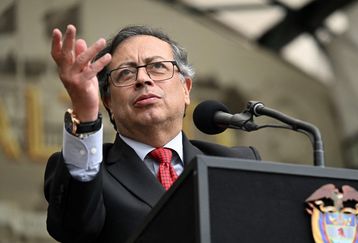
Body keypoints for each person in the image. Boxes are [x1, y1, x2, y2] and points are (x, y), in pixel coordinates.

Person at [43, 24, 261, 243]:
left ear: (185, 89)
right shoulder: (89, 172)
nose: (142, 79)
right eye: (126, 73)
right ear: (108, 102)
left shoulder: (238, 164)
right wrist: (84, 112)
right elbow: (72, 229)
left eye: (157, 66)